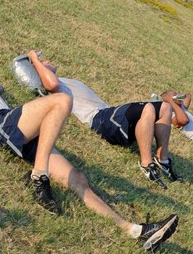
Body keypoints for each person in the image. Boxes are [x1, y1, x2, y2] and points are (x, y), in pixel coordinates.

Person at [0, 32, 178, 252]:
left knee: (78, 179)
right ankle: (38, 176)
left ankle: (135, 230)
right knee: (62, 100)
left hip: (14, 123)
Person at [22, 51, 181, 188]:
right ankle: (147, 164)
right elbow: (51, 84)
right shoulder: (52, 85)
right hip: (100, 119)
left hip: (111, 115)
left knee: (165, 107)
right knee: (148, 108)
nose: (47, 61)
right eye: (44, 63)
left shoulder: (65, 80)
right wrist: (34, 59)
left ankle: (163, 160)